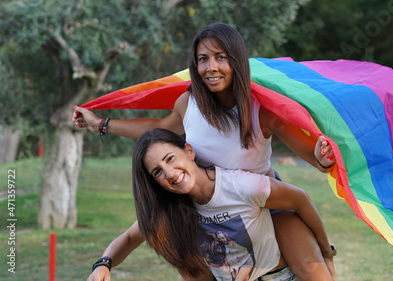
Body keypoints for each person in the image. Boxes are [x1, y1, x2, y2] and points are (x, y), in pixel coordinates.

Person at [77, 23, 337, 280]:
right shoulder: (188, 103)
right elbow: (157, 129)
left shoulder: (262, 109)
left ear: (236, 60)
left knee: (314, 271)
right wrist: (99, 124)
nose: (211, 67)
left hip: (266, 201)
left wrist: (322, 159)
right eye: (203, 59)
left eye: (220, 57)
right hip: (207, 207)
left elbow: (314, 159)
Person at [137, 128, 334, 280]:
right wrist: (105, 261)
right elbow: (130, 237)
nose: (170, 173)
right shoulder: (172, 214)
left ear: (189, 151)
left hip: (280, 266)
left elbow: (301, 198)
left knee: (287, 222)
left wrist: (327, 251)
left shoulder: (244, 187)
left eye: (170, 159)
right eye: (157, 172)